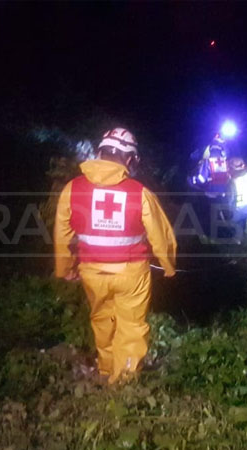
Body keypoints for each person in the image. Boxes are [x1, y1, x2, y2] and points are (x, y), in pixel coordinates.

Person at [54, 127, 177, 385]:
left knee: (102, 320)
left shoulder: (72, 189)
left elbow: (62, 234)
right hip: (131, 274)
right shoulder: (140, 193)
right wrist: (168, 265)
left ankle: (106, 369)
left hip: (91, 272)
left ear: (99, 153)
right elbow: (160, 233)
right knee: (131, 327)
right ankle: (124, 382)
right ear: (130, 160)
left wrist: (64, 268)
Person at [227, 157, 247, 245]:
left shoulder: (231, 181)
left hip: (239, 209)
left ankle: (237, 239)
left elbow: (231, 199)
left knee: (233, 220)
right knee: (242, 220)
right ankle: (241, 235)